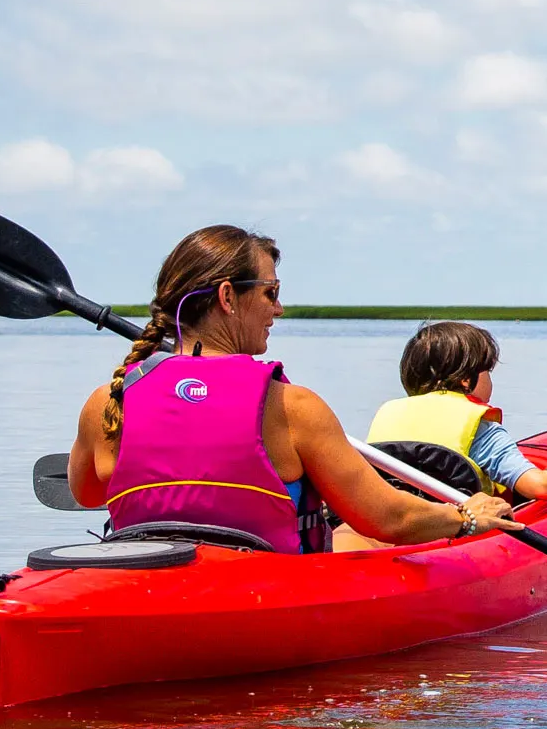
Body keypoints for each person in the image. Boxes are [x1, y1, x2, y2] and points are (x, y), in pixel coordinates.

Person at [64, 224, 501, 555]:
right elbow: (389, 518)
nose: (279, 308)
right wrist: (465, 516)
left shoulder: (108, 401)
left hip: (145, 575)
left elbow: (86, 493)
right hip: (265, 585)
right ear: (228, 297)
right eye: (271, 292)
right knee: (357, 537)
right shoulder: (293, 407)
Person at [360, 318, 547, 505]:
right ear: (466, 380)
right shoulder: (481, 428)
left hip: (398, 525)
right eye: (488, 372)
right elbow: (537, 486)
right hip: (460, 536)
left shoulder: (389, 413)